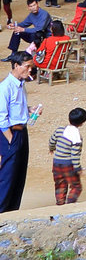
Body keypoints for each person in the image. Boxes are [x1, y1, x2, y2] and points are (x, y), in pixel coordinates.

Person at [0, 61, 34, 213]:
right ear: (15, 65)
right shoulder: (5, 87)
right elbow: (2, 117)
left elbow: (17, 109)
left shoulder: (21, 85)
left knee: (19, 173)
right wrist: (10, 139)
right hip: (11, 134)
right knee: (8, 174)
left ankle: (12, 210)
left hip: (21, 132)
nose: (29, 69)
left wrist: (29, 110)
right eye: (27, 66)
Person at [50, 105, 86, 204]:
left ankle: (60, 204)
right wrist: (78, 169)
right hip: (68, 164)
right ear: (82, 122)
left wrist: (51, 148)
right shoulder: (77, 137)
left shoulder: (60, 130)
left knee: (60, 185)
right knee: (76, 186)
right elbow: (75, 155)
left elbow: (52, 140)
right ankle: (70, 204)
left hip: (56, 162)